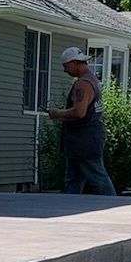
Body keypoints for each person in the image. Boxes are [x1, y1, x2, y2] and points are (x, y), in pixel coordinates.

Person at [49, 47, 116, 195]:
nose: (65, 70)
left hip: (84, 140)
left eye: (66, 66)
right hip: (84, 139)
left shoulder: (83, 84)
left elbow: (79, 112)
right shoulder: (92, 80)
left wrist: (57, 113)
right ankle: (69, 206)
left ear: (75, 63)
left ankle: (114, 204)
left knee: (97, 177)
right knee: (73, 178)